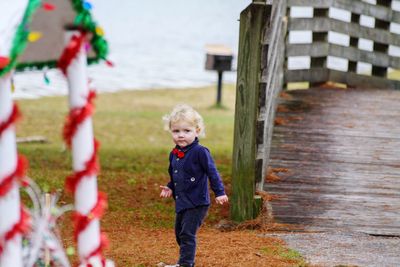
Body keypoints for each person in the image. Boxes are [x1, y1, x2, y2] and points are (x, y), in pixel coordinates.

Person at [160, 104, 229, 267]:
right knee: (179, 233)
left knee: (187, 233)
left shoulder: (200, 152)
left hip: (197, 202)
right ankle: (186, 259)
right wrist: (170, 186)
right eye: (176, 131)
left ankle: (185, 264)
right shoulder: (174, 154)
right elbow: (177, 175)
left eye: (186, 131)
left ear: (197, 131)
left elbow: (212, 172)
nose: (181, 135)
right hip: (182, 201)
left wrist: (219, 192)